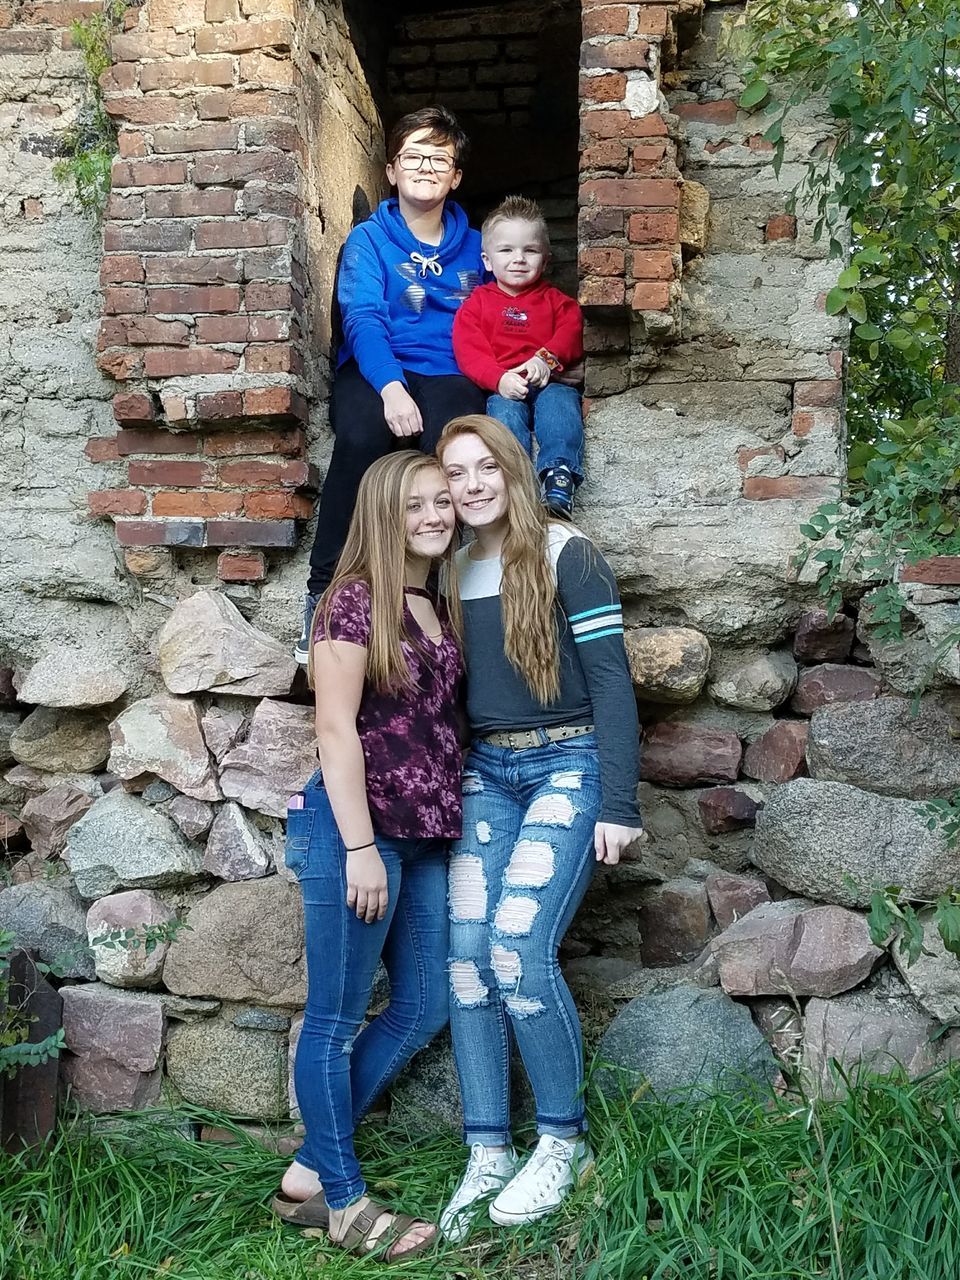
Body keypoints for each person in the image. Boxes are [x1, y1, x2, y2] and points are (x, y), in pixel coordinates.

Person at [434, 415, 643, 1241]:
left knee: (516, 948)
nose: (474, 485)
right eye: (456, 473)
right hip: (484, 773)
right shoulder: (447, 569)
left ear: (516, 469)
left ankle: (564, 1142)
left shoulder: (565, 553)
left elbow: (613, 684)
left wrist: (620, 804)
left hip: (570, 762)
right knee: (465, 963)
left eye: (488, 466)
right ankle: (486, 1150)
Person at [273, 451, 464, 1262]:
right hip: (356, 829)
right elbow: (333, 728)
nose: (434, 514)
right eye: (415, 503)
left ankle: (309, 1171)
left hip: (423, 833)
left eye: (442, 499)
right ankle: (345, 1207)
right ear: (384, 516)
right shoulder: (351, 604)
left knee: (426, 1004)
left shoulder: (435, 601)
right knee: (336, 1019)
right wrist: (358, 848)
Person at [295, 104, 487, 663]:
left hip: (451, 369)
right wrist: (391, 387)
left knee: (451, 447)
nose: (426, 167)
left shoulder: (479, 247)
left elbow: (506, 309)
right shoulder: (368, 240)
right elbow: (362, 317)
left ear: (455, 177)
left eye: (440, 159)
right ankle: (322, 593)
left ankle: (438, 601)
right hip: (377, 368)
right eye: (414, 156)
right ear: (392, 170)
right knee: (361, 439)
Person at [452, 196, 585, 517]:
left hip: (550, 381)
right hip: (504, 386)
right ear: (487, 260)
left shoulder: (556, 301)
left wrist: (547, 360)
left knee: (560, 405)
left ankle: (559, 477)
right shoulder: (476, 305)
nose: (519, 259)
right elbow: (469, 351)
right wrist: (498, 379)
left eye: (530, 250)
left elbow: (573, 332)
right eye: (506, 250)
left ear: (546, 258)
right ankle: (515, 483)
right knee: (503, 415)